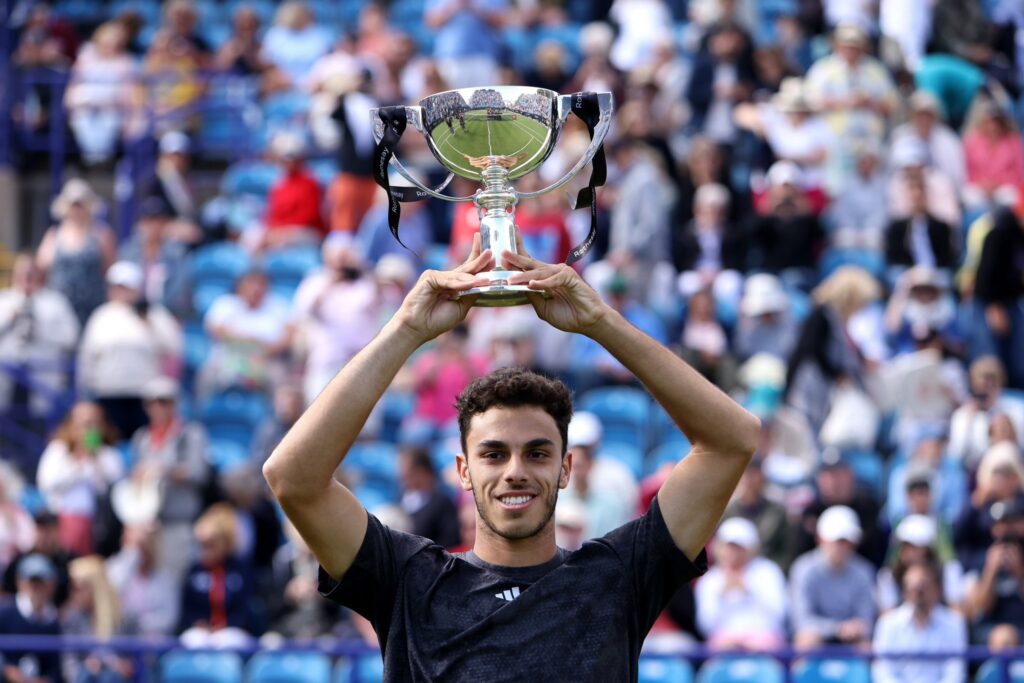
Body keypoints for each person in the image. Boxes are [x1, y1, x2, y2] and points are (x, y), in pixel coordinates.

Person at [262, 235, 761, 679]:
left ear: (566, 468)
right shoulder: (408, 580)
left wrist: (600, 321)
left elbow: (732, 440)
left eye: (538, 453)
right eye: (494, 454)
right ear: (463, 470)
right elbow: (292, 477)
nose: (515, 471)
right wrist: (407, 330)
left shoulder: (618, 575)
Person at [789, 505, 878, 648]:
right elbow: (802, 621)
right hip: (820, 635)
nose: (843, 547)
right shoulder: (803, 569)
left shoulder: (863, 572)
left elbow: (866, 620)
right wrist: (837, 628)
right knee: (806, 639)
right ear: (820, 539)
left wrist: (854, 628)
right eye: (838, 541)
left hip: (851, 637)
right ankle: (803, 671)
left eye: (848, 541)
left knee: (865, 646)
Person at [695, 517, 787, 650]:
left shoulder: (768, 572)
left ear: (751, 549)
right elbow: (704, 626)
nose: (733, 553)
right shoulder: (710, 580)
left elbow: (779, 616)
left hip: (764, 642)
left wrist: (749, 590)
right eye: (728, 547)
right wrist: (720, 595)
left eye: (739, 548)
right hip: (723, 645)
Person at [872, 560, 967, 683]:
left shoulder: (954, 623)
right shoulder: (887, 623)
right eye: (912, 588)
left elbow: (955, 673)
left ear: (937, 589)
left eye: (923, 588)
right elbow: (882, 673)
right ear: (905, 591)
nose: (918, 594)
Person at [0, 554, 62, 683]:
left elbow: (55, 666)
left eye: (41, 583)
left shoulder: (54, 620)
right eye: (32, 583)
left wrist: (46, 680)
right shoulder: (4, 613)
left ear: (51, 585)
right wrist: (6, 669)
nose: (36, 589)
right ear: (20, 582)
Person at [398, 447, 460, 548]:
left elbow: (450, 539)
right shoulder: (402, 499)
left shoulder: (442, 502)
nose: (402, 474)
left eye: (407, 469)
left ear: (421, 471)